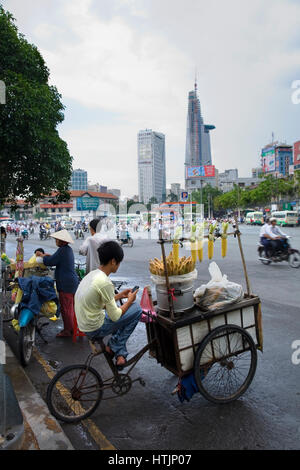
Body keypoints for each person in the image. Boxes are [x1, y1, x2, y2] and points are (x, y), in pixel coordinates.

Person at [75, 241, 142, 367]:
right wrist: (129, 300)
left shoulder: (92, 274)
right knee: (136, 309)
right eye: (119, 262)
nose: (119, 265)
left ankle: (118, 350)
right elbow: (115, 316)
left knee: (124, 312)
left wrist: (119, 296)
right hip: (94, 327)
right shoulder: (105, 282)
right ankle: (116, 346)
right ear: (113, 261)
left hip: (84, 323)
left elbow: (98, 303)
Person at [35, 229, 79, 337]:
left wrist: (42, 256)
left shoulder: (63, 250)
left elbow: (50, 262)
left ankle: (68, 331)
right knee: (71, 307)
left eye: (56, 240)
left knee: (66, 308)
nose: (55, 241)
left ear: (61, 241)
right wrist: (46, 255)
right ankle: (72, 328)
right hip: (72, 282)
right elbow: (54, 258)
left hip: (66, 283)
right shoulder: (67, 249)